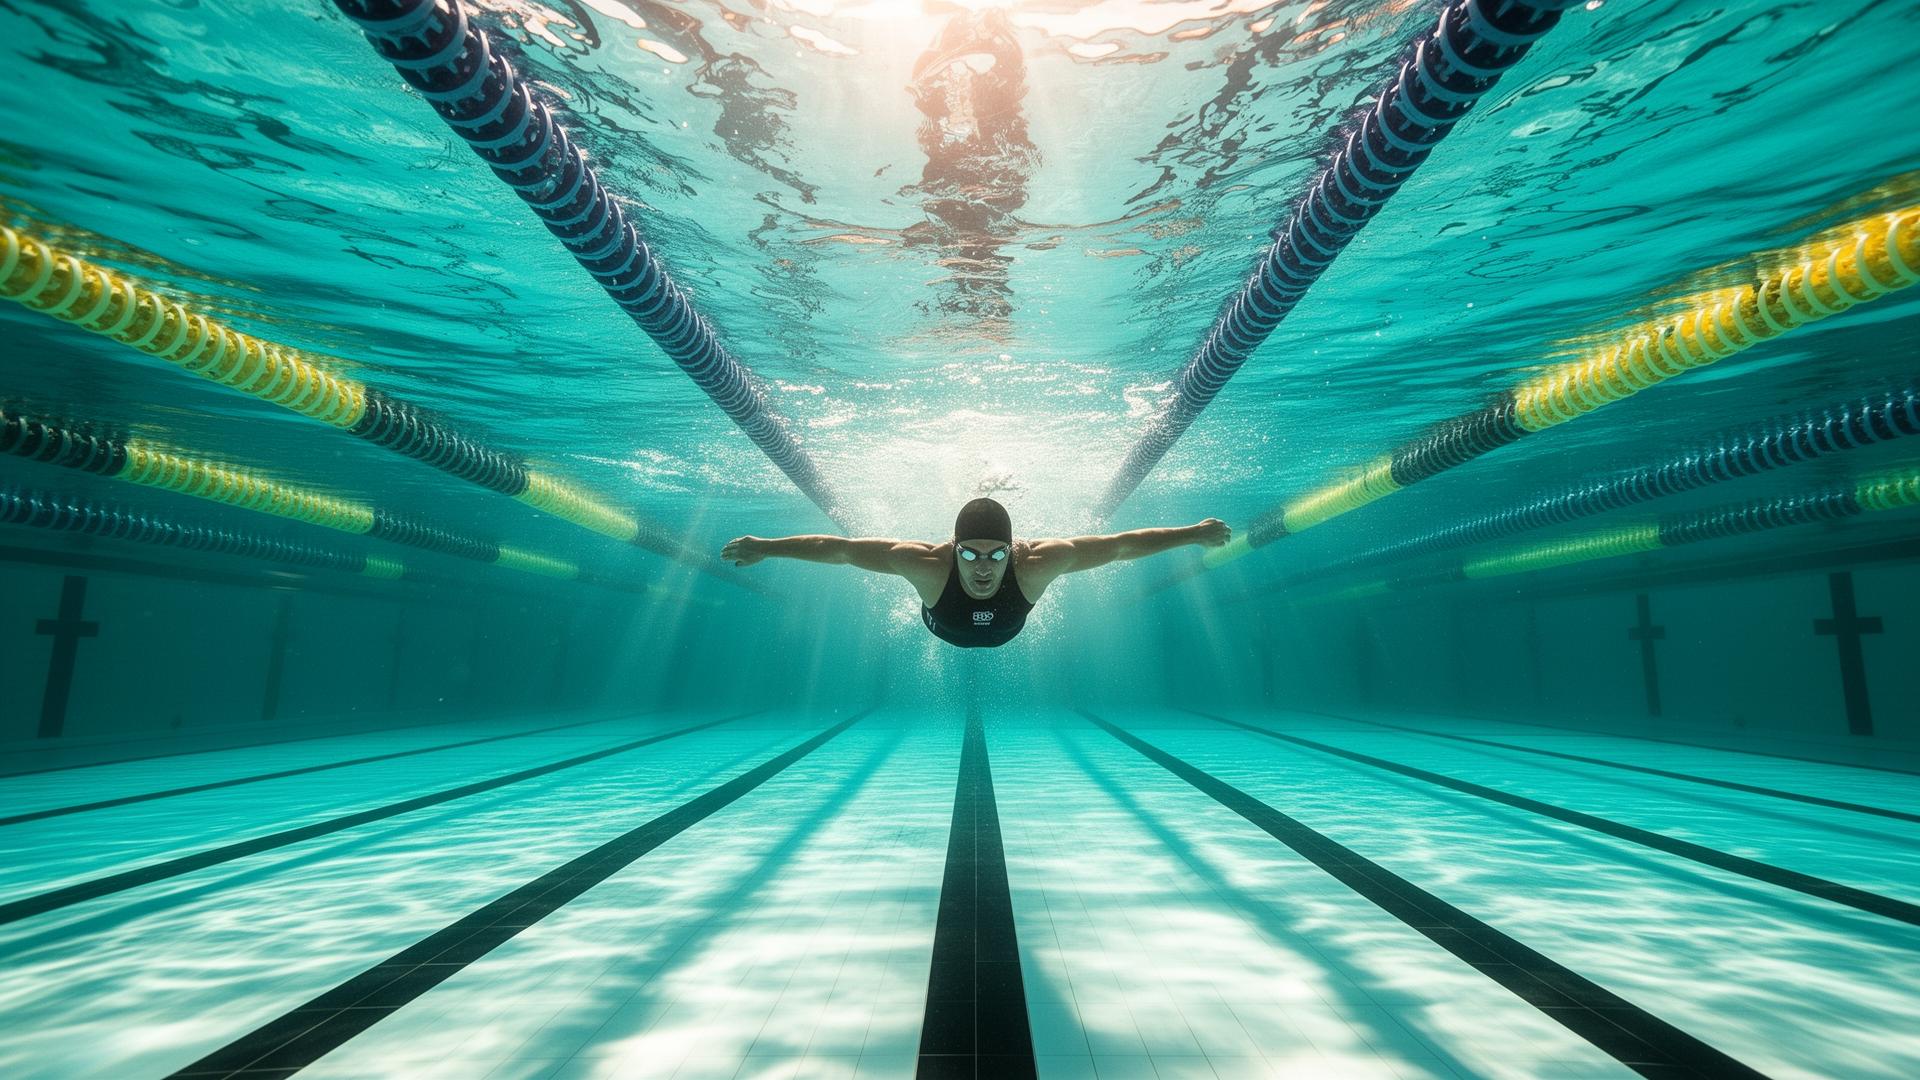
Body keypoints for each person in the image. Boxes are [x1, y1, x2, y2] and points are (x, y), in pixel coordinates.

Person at [721, 497, 1230, 648]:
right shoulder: (924, 564)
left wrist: (1192, 532)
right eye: (969, 554)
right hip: (940, 623)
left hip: (1010, 628)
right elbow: (841, 551)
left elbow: (1119, 547)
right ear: (953, 547)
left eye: (995, 554)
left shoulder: (1036, 563)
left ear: (1012, 550)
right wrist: (766, 546)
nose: (983, 568)